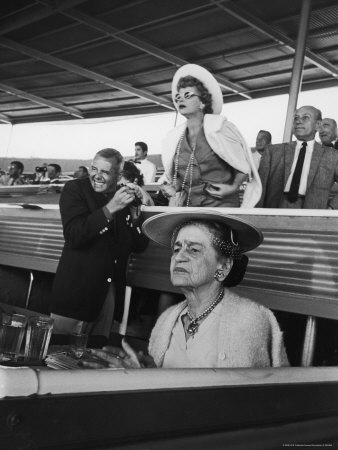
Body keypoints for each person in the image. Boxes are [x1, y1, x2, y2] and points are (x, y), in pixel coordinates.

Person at [83, 210, 289, 369]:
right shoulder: (167, 319)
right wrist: (146, 373)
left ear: (224, 267)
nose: (179, 257)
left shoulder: (251, 319)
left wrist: (151, 380)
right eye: (176, 249)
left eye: (194, 249)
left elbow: (242, 400)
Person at [50, 148, 148, 338]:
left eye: (105, 172)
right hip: (75, 296)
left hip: (107, 300)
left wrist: (136, 219)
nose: (97, 176)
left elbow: (139, 246)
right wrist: (111, 208)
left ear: (119, 175)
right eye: (94, 169)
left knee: (95, 359)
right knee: (59, 358)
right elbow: (74, 236)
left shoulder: (122, 198)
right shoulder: (75, 189)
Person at [160, 64, 261, 208]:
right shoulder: (174, 137)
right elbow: (180, 176)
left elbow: (242, 165)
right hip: (188, 206)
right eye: (178, 97)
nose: (180, 100)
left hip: (220, 205)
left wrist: (233, 187)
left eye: (187, 95)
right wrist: (172, 187)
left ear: (202, 102)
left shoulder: (221, 128)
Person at [257, 105, 338, 209]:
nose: (298, 121)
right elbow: (258, 187)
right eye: (296, 118)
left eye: (305, 117)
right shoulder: (273, 151)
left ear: (318, 125)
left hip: (312, 212)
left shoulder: (332, 156)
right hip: (275, 208)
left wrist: (332, 207)